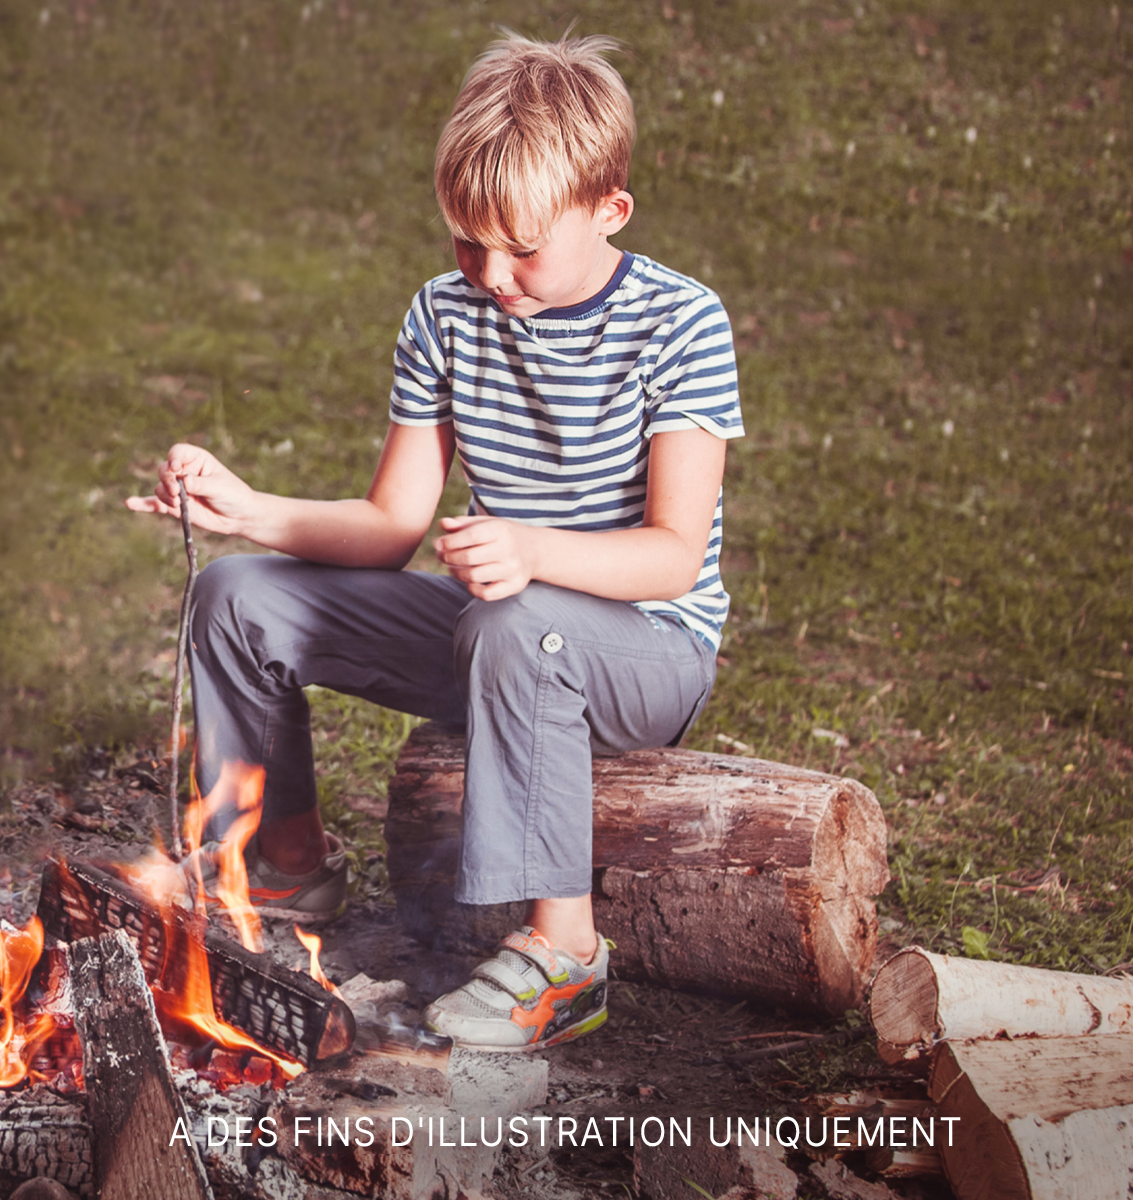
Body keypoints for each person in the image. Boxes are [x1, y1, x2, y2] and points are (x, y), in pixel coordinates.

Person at [128, 32, 739, 1053]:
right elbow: (389, 528)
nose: (490, 274)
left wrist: (534, 554)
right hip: (496, 627)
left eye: (522, 248)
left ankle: (564, 959)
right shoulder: (445, 315)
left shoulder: (680, 324)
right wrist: (247, 510)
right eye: (466, 243)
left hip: (644, 653)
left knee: (522, 624)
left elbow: (673, 555)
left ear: (609, 211)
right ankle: (272, 869)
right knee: (238, 597)